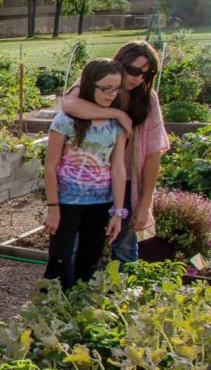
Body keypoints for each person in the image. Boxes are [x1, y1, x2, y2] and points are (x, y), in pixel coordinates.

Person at [60, 41, 168, 264]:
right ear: (121, 62)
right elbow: (69, 105)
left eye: (147, 75)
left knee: (125, 246)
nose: (139, 78)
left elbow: (153, 153)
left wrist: (145, 203)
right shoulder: (96, 81)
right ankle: (67, 295)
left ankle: (122, 297)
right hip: (90, 179)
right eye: (135, 70)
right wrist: (117, 115)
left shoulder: (148, 99)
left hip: (126, 180)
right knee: (79, 243)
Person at [43, 60, 127, 289]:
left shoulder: (116, 125)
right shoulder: (65, 121)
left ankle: (77, 313)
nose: (111, 94)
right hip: (67, 201)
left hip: (101, 202)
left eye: (116, 89)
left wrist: (118, 212)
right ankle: (50, 312)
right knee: (60, 261)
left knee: (90, 261)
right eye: (105, 88)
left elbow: (118, 169)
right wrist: (53, 208)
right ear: (90, 85)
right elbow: (50, 166)